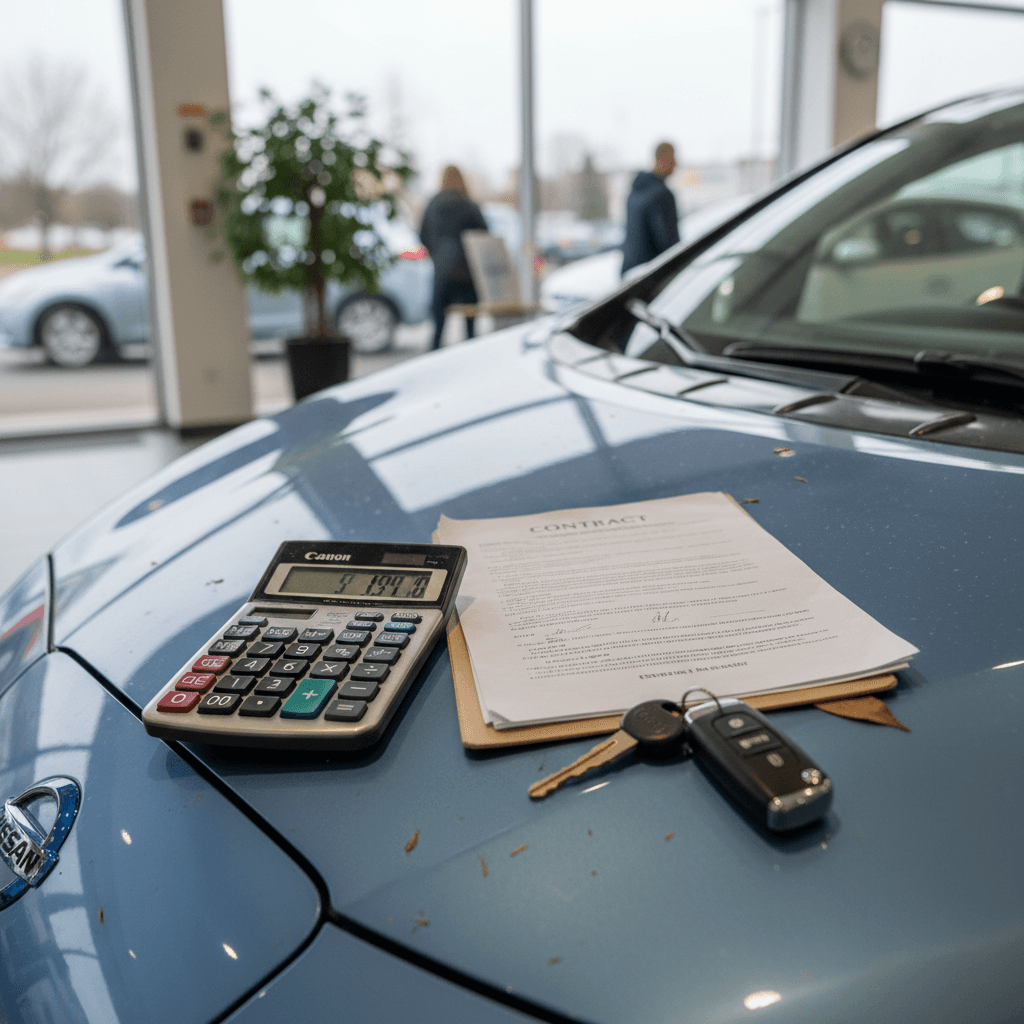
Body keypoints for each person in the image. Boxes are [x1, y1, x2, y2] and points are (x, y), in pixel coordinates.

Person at [419, 165, 489, 349]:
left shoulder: (433, 205)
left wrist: (438, 254)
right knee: (471, 331)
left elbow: (422, 236)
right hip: (467, 273)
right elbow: (484, 238)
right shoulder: (469, 205)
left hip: (442, 272)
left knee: (438, 330)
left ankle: (433, 369)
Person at [621, 141, 680, 276]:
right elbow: (670, 247)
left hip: (630, 273)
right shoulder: (662, 195)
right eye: (673, 158)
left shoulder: (635, 191)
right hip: (653, 277)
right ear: (663, 159)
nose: (676, 164)